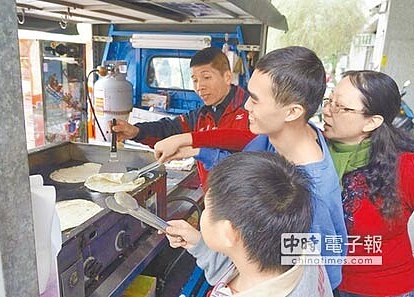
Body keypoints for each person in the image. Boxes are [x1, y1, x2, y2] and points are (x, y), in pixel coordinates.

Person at [154, 46, 347, 290]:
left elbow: (322, 275)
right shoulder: (276, 138)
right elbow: (248, 175)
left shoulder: (310, 196)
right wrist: (197, 150)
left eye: (255, 99)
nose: (246, 106)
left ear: (292, 111)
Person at [165, 151, 332, 296]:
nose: (204, 213)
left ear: (228, 233)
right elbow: (239, 269)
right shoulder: (302, 247)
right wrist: (199, 244)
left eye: (207, 208)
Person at [322, 70, 414, 297]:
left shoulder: (405, 167)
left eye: (339, 107)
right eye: (328, 101)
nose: (326, 111)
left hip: (384, 288)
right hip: (323, 283)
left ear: (372, 121)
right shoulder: (314, 150)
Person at [112, 47, 255, 187]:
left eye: (206, 77)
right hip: (214, 200)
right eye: (194, 80)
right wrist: (136, 132)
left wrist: (192, 144)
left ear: (227, 77)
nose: (200, 87)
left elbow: (248, 151)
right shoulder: (201, 115)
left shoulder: (251, 110)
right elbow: (169, 129)